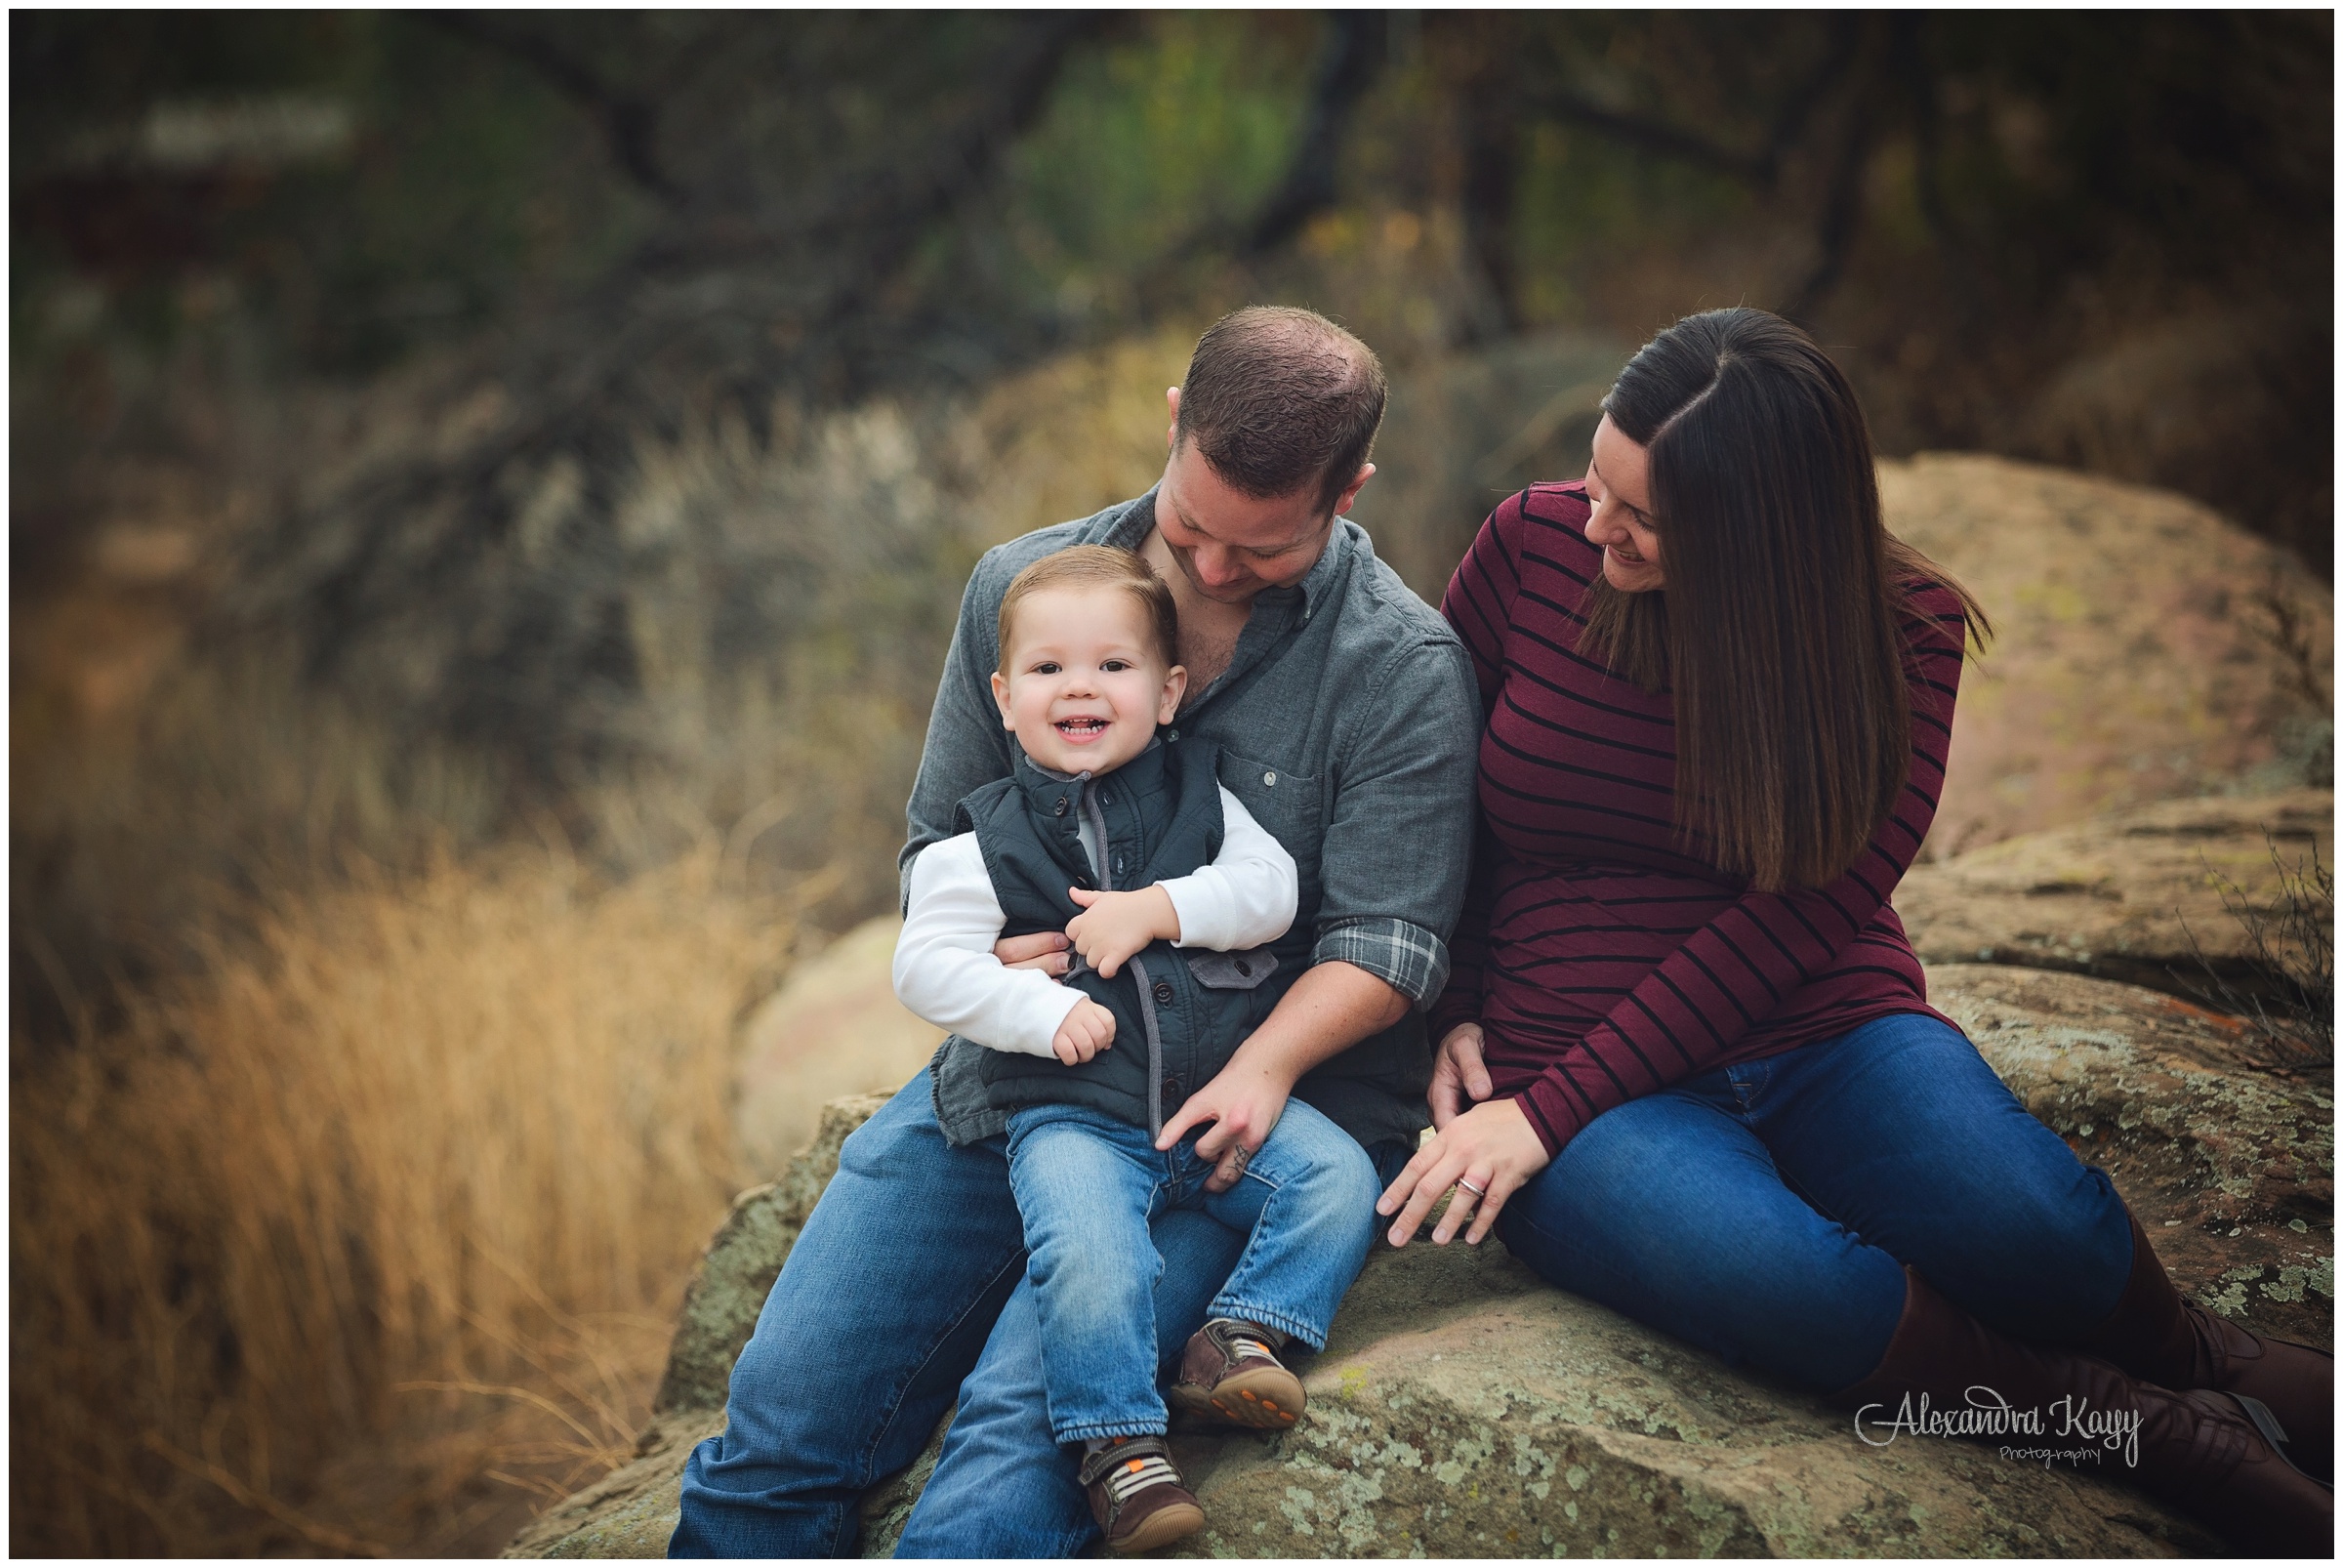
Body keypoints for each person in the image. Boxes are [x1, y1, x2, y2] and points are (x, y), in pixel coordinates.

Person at [1377, 307, 2331, 1554]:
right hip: (1584, 1082)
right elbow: (1441, 796)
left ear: (1761, 535)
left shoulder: (1903, 630)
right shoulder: (1529, 548)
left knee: (2036, 1227)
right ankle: (2144, 1428)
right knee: (1795, 1289)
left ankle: (2200, 1357)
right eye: (1600, 479)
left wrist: (1541, 1112)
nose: (1592, 521)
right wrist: (1461, 1004)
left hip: (1820, 1029)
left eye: (1640, 515)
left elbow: (1805, 914)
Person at [672, 306, 1481, 1556]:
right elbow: (936, 847)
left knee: (1018, 1430)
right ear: (1173, 421)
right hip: (1025, 1073)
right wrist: (1003, 961)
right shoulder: (1021, 588)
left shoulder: (1399, 665)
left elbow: (1392, 944)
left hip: (1228, 1116)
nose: (1209, 572)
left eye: (1261, 549)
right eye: (1193, 525)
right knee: (780, 1424)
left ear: (1351, 487)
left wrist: (1263, 1069)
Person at [890, 545, 1377, 1552]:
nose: (1080, 686)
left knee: (1336, 1175)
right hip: (1074, 1120)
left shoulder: (1205, 800)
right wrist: (1037, 1012)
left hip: (1211, 1098)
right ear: (1004, 697)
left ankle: (1240, 1334)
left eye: (1113, 666)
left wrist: (1159, 908)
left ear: (1168, 693)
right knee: (1093, 1261)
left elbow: (1270, 891)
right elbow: (924, 968)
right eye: (1048, 669)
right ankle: (1119, 1450)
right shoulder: (975, 847)